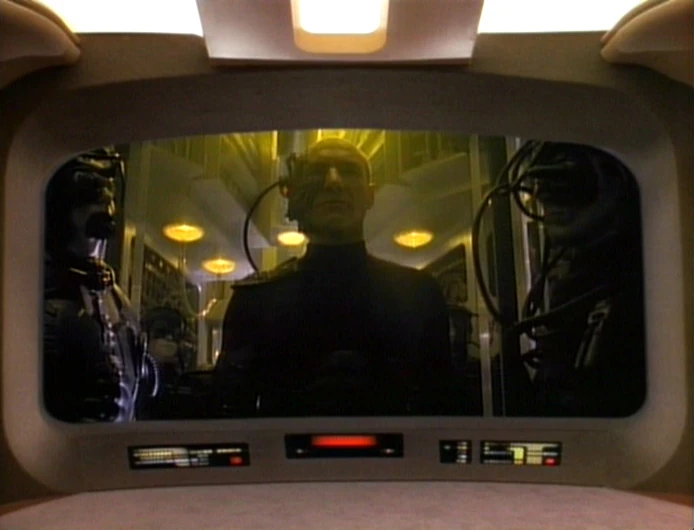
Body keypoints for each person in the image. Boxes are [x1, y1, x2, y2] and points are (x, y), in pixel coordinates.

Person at [212, 137, 461, 417]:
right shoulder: (255, 301)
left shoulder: (419, 296)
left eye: (349, 171)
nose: (333, 182)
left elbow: (443, 408)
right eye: (317, 172)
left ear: (369, 195)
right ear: (294, 193)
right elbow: (227, 415)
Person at [43, 147, 158, 422]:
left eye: (109, 186)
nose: (105, 196)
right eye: (90, 186)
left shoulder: (116, 298)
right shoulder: (33, 292)